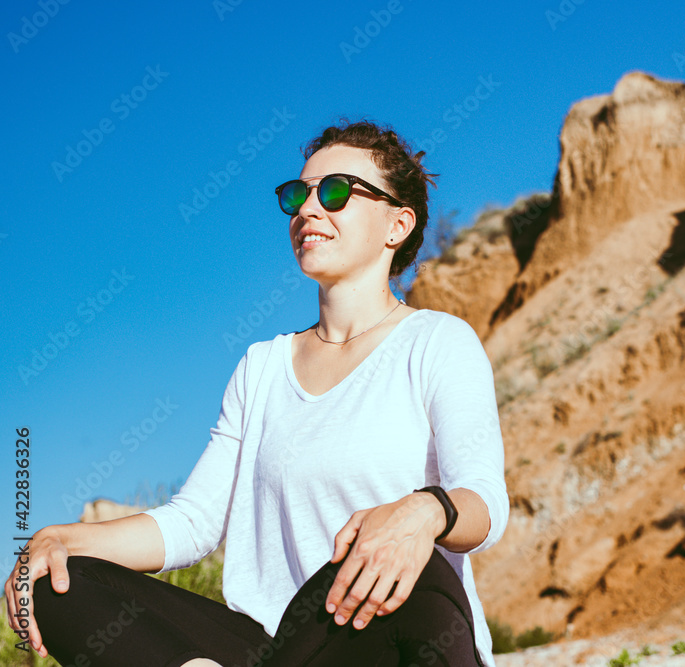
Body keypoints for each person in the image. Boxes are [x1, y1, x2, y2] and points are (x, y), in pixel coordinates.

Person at [4, 119, 509, 666]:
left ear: (398, 224)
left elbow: (483, 501)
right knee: (61, 582)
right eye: (299, 194)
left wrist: (423, 511)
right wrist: (60, 538)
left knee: (416, 569)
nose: (309, 209)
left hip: (387, 633)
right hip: (281, 650)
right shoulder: (262, 366)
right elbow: (193, 522)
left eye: (336, 191)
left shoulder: (437, 342)